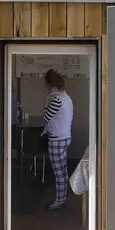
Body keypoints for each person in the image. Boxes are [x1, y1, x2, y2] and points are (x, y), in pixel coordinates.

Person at [42, 69, 73, 211]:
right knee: (63, 171)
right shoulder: (66, 97)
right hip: (65, 137)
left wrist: (45, 100)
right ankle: (63, 197)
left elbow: (45, 117)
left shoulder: (56, 100)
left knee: (59, 172)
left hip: (57, 140)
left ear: (50, 84)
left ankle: (60, 201)